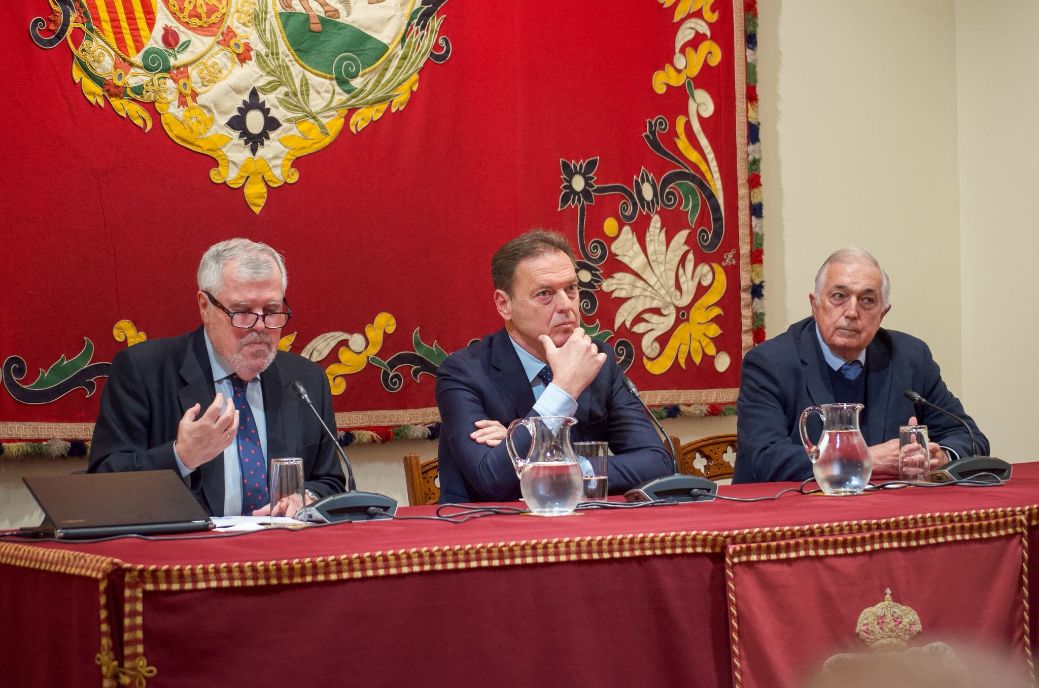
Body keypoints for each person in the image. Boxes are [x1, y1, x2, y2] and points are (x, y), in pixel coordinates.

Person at [89, 238, 345, 516]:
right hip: (186, 552)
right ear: (205, 307)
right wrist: (181, 456)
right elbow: (104, 483)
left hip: (282, 550)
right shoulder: (144, 371)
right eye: (243, 313)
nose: (259, 327)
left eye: (271, 311)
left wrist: (304, 498)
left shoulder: (306, 380)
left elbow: (330, 481)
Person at [435, 229, 672, 502]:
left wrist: (552, 462)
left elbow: (656, 463)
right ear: (504, 305)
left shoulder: (598, 361)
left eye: (571, 289)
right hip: (488, 536)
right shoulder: (464, 373)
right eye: (545, 293)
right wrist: (563, 390)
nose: (566, 306)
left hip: (582, 531)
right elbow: (491, 480)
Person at [734, 247, 987, 483]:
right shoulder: (770, 363)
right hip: (791, 521)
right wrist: (865, 460)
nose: (852, 311)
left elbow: (971, 437)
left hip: (887, 519)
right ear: (815, 305)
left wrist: (940, 456)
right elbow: (765, 460)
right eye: (839, 296)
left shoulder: (910, 358)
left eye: (867, 300)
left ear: (883, 313)